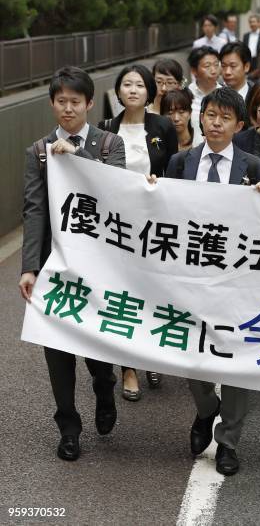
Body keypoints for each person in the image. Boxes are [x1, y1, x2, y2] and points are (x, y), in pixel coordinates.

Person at [19, 66, 125, 461]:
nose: (67, 110)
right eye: (61, 102)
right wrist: (29, 267)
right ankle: (68, 426)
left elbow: (116, 192)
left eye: (75, 102)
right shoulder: (37, 151)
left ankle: (104, 385)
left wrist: (78, 156)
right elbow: (34, 210)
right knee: (56, 348)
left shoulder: (108, 143)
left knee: (96, 342)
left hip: (98, 267)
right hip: (53, 266)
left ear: (89, 104)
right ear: (51, 104)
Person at [166, 87, 260, 476]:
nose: (216, 123)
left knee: (239, 362)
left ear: (240, 126)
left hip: (239, 280)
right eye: (210, 115)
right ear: (201, 116)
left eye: (225, 118)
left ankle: (228, 441)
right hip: (192, 279)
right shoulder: (180, 162)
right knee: (193, 357)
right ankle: (207, 409)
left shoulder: (255, 168)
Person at [99, 64, 178, 400]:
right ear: (118, 91)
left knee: (154, 290)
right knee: (122, 294)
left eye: (139, 85)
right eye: (126, 85)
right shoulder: (104, 128)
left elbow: (174, 169)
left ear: (149, 92)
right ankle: (128, 369)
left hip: (156, 222)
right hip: (118, 224)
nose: (132, 90)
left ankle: (151, 354)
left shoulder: (162, 126)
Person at [187, 46, 222, 140]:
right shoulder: (186, 95)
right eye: (207, 66)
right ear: (194, 71)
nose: (213, 70)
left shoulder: (226, 94)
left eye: (216, 65)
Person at [220, 41, 255, 106]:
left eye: (233, 66)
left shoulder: (256, 94)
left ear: (246, 66)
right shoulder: (215, 93)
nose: (227, 72)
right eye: (224, 66)